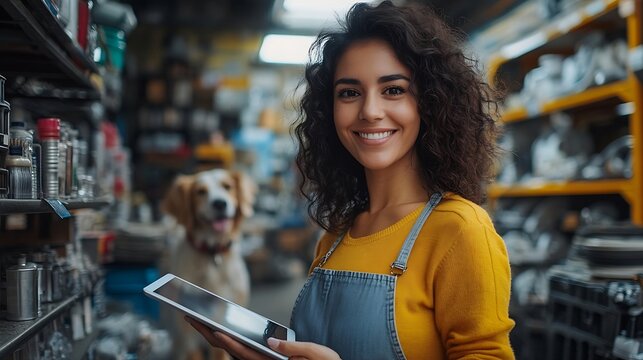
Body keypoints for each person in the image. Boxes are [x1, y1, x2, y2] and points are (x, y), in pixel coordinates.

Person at [187, 1, 515, 359]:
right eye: (349, 92)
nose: (370, 111)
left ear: (430, 103)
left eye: (393, 90)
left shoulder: (461, 230)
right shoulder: (336, 236)